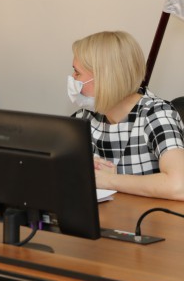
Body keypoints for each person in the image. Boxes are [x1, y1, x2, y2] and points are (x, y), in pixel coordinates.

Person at [68, 31, 184, 200]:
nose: (72, 79)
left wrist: (109, 180)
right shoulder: (83, 118)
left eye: (77, 73)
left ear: (105, 77)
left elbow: (179, 185)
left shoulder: (156, 114)